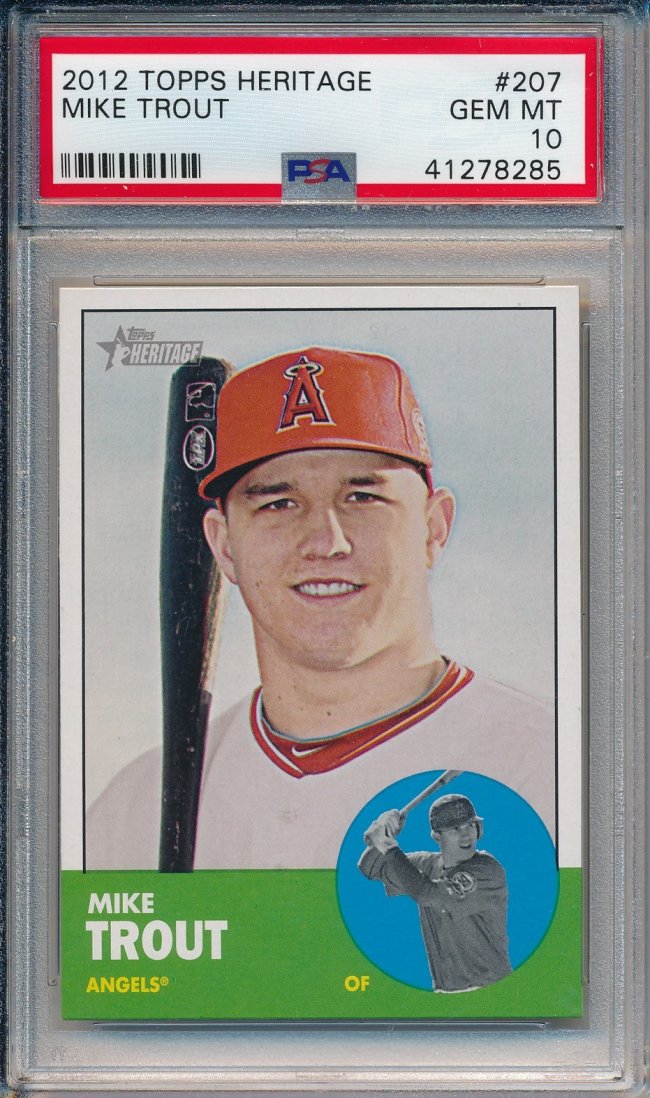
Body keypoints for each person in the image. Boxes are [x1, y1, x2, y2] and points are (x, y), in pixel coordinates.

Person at [87, 346, 555, 869]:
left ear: (433, 528)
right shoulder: (126, 819)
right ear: (223, 547)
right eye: (278, 503)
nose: (326, 542)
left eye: (362, 498)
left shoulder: (553, 773)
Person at [359, 793, 512, 992]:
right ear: (437, 836)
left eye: (470, 825)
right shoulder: (427, 864)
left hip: (491, 989)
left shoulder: (487, 870)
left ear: (479, 828)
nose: (466, 834)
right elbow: (370, 868)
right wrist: (386, 833)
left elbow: (426, 894)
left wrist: (387, 845)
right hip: (446, 993)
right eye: (455, 828)